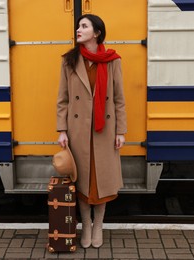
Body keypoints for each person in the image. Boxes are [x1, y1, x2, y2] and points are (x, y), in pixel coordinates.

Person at [56, 14, 127, 248]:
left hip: (104, 130)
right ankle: (86, 224)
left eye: (84, 26)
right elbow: (63, 99)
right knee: (83, 181)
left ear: (96, 33)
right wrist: (62, 129)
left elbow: (118, 100)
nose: (78, 29)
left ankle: (99, 225)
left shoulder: (112, 60)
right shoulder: (69, 60)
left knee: (102, 181)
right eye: (78, 26)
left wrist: (121, 131)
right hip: (78, 131)